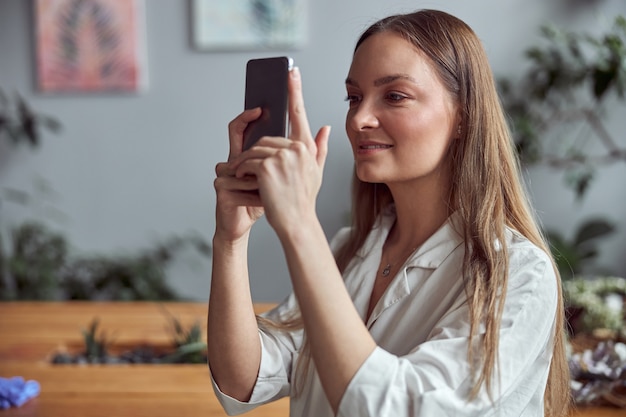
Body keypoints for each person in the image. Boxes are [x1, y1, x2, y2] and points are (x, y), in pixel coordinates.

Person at [207, 9, 571, 417]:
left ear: (463, 116)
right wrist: (231, 242)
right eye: (354, 97)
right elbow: (245, 379)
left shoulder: (518, 273)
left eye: (395, 96)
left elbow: (396, 408)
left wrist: (299, 224)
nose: (359, 119)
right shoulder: (351, 247)